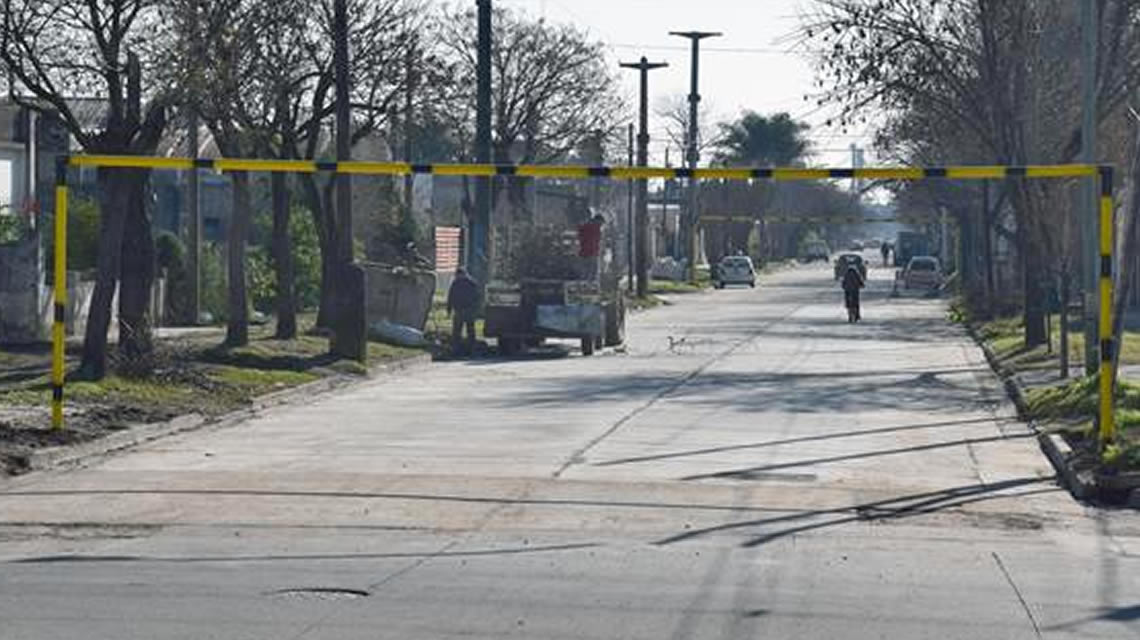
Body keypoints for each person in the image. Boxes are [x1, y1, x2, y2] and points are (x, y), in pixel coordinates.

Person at [447, 267, 480, 353]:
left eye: (458, 275)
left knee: (467, 329)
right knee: (461, 330)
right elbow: (451, 297)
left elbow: (477, 297)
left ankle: (467, 347)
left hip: (465, 309)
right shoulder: (468, 283)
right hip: (463, 309)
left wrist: (449, 309)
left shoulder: (468, 283)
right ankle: (461, 347)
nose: (458, 277)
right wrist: (449, 309)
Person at [578, 213, 604, 280]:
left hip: (584, 253)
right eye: (600, 223)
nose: (601, 225)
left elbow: (580, 235)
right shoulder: (596, 229)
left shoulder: (585, 226)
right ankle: (590, 285)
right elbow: (596, 241)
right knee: (592, 273)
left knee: (584, 273)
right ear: (598, 221)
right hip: (592, 253)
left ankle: (584, 284)